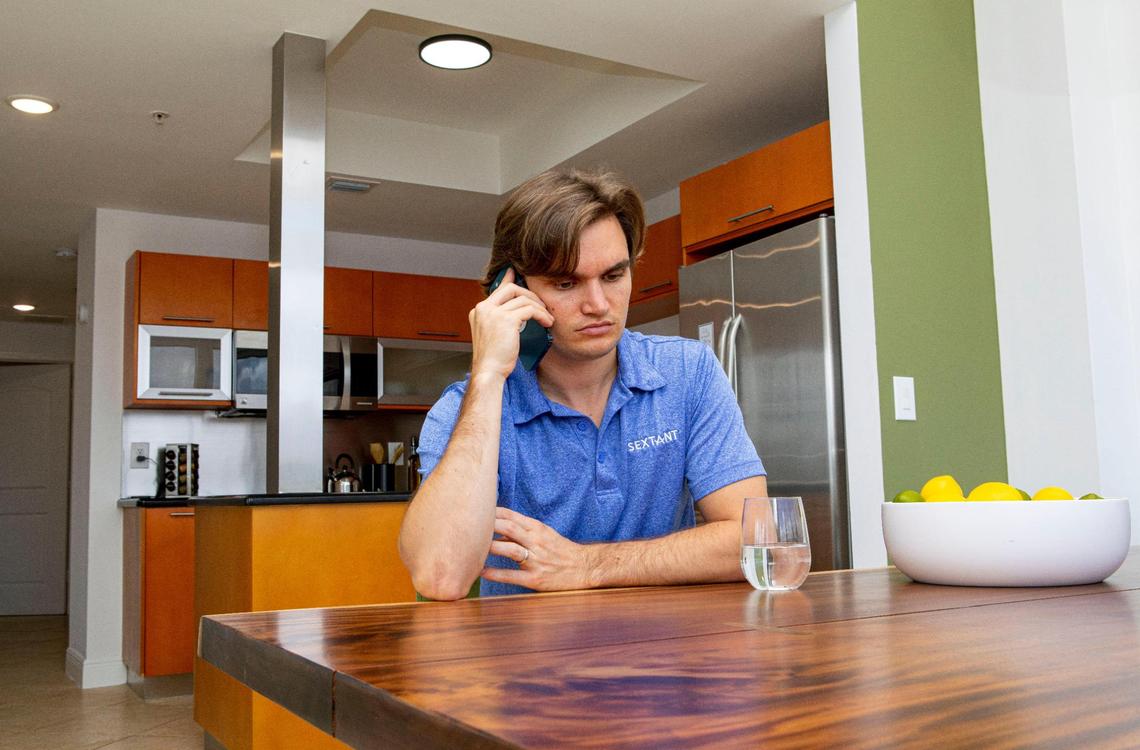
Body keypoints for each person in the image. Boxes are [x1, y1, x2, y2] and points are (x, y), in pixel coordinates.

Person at [398, 168, 767, 600]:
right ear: (510, 288)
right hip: (526, 665)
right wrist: (487, 375)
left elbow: (755, 540)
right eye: (566, 283)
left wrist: (585, 565)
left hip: (669, 654)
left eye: (613, 276)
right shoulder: (468, 408)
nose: (597, 305)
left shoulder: (688, 371)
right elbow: (440, 576)